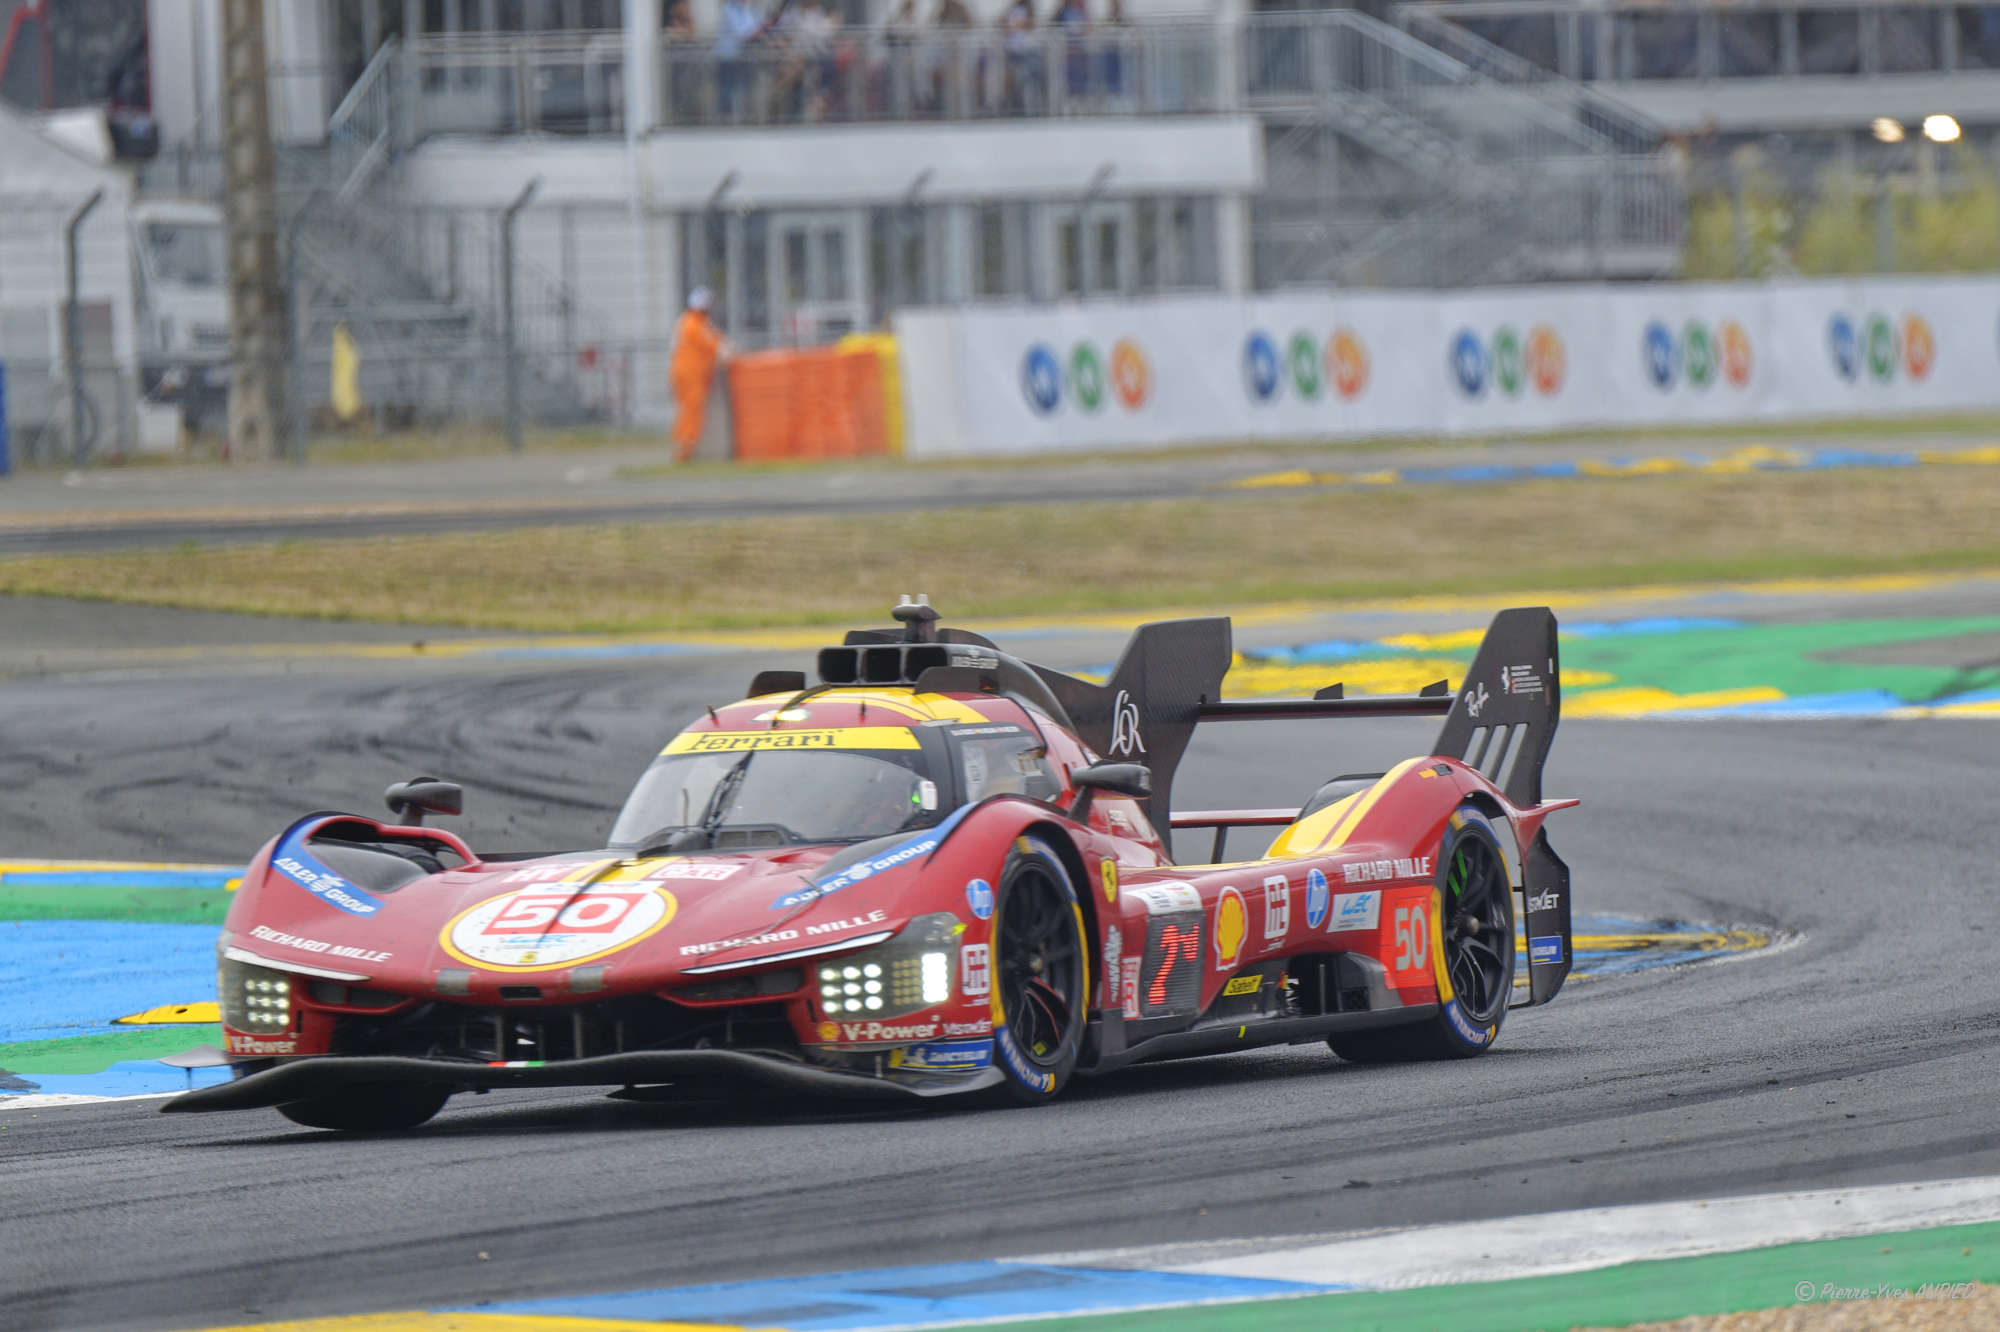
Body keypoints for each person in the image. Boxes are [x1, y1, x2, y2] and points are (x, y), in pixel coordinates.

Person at [670, 287, 729, 462]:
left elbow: (714, 338)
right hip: (691, 373)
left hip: (684, 371)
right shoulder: (694, 324)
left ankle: (684, 444)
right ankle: (686, 447)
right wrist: (727, 351)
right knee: (692, 409)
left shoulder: (688, 321)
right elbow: (714, 344)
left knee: (686, 410)